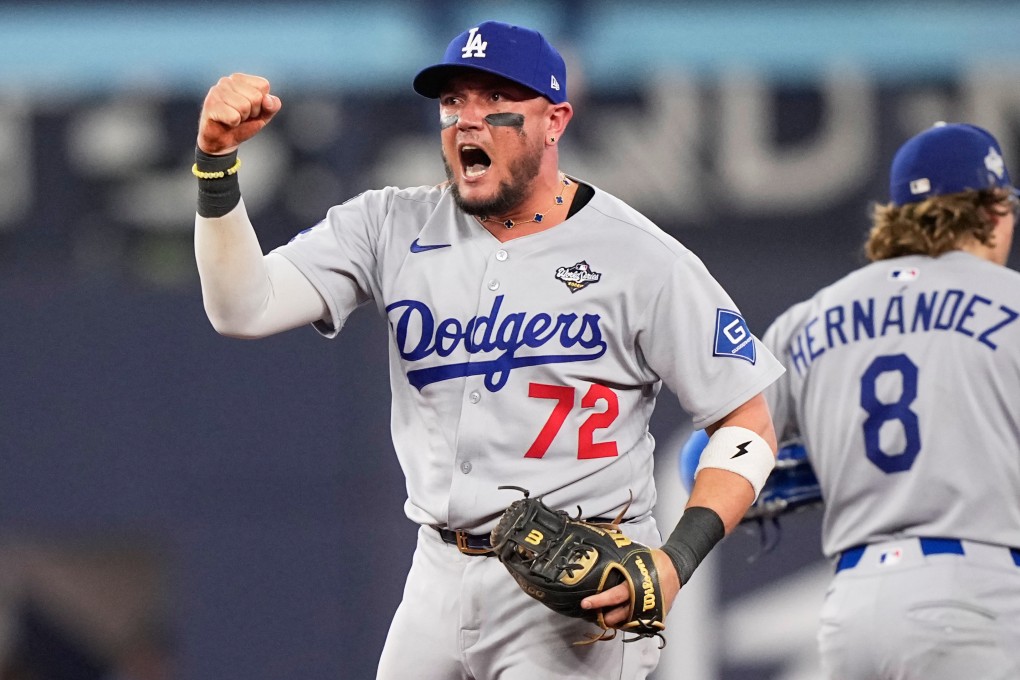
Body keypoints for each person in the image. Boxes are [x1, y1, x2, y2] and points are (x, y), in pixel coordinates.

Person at [192, 20, 784, 679]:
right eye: (453, 102)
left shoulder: (640, 257)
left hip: (571, 593)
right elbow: (243, 307)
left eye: (495, 101)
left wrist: (675, 561)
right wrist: (216, 166)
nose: (468, 121)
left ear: (554, 120)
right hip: (436, 574)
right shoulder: (389, 224)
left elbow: (749, 424)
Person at [760, 122, 1020, 679]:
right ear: (996, 211)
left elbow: (703, 462)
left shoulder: (806, 319)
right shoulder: (1012, 302)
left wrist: (808, 471)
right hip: (975, 594)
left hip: (852, 610)